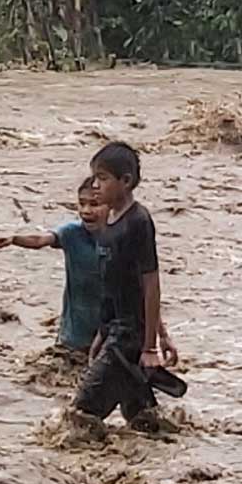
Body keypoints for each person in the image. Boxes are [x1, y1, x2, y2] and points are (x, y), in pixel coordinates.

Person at [66, 142, 181, 436]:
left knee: (79, 416)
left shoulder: (138, 222)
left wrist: (152, 344)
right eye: (94, 177)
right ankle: (165, 468)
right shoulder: (109, 222)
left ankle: (82, 479)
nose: (95, 185)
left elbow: (150, 283)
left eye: (103, 178)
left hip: (130, 338)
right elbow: (117, 285)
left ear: (126, 181)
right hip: (115, 331)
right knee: (143, 421)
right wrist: (102, 333)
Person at [0, 173, 116, 357]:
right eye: (82, 203)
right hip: (74, 337)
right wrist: (14, 239)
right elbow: (40, 240)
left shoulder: (121, 238)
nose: (86, 210)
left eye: (94, 204)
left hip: (110, 335)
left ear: (112, 206)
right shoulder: (72, 234)